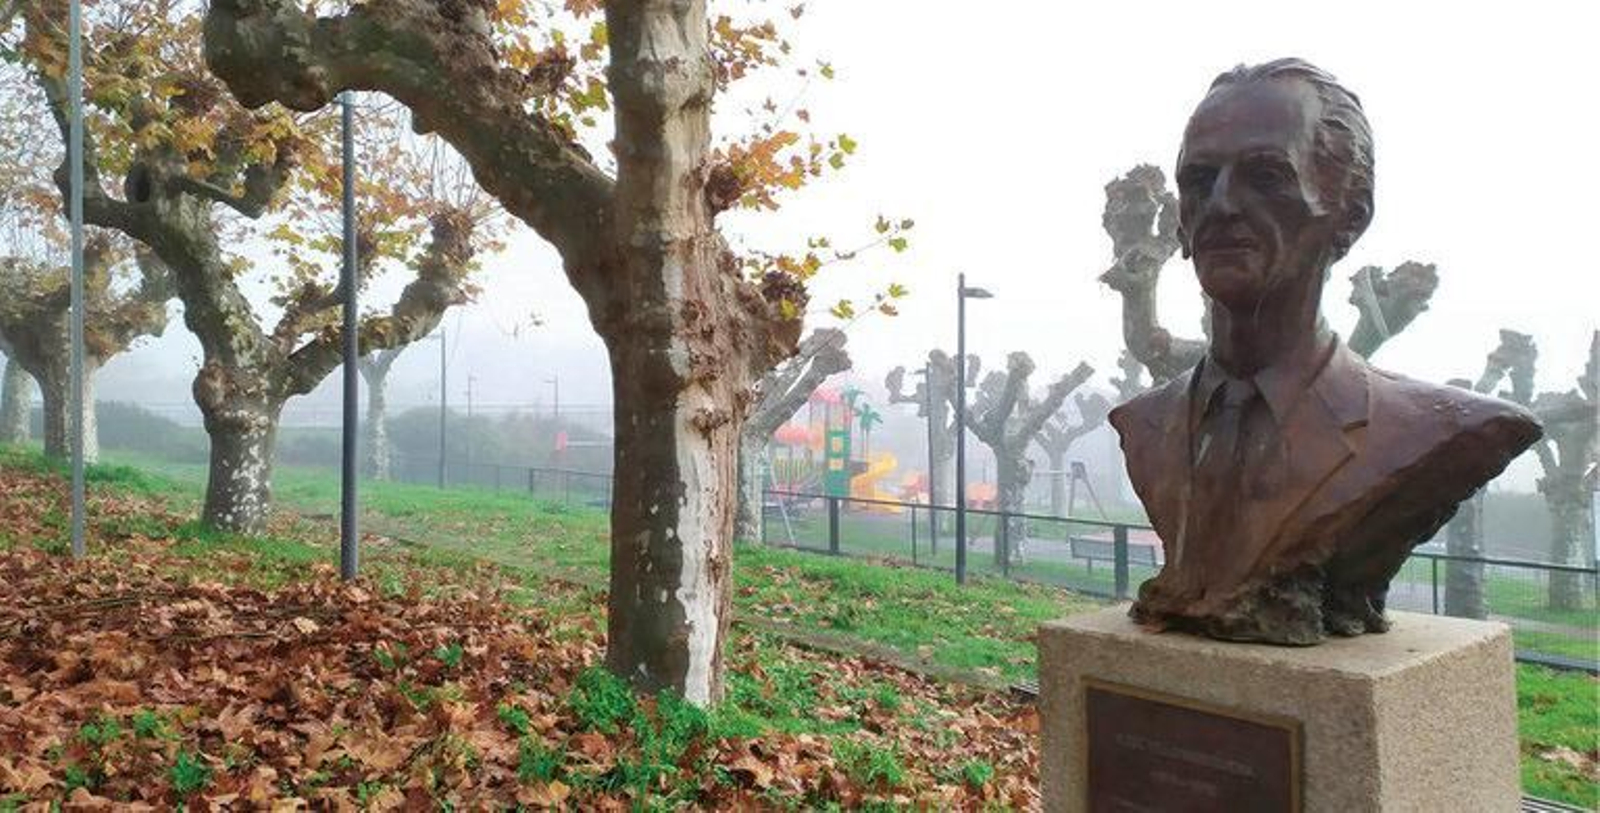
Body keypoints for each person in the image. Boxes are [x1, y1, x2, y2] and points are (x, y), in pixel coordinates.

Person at [1110, 58, 1541, 644]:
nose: (1221, 204)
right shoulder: (1143, 426)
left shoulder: (1441, 433)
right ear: (1180, 226)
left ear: (1351, 216)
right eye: (1199, 180)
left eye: (1266, 177)